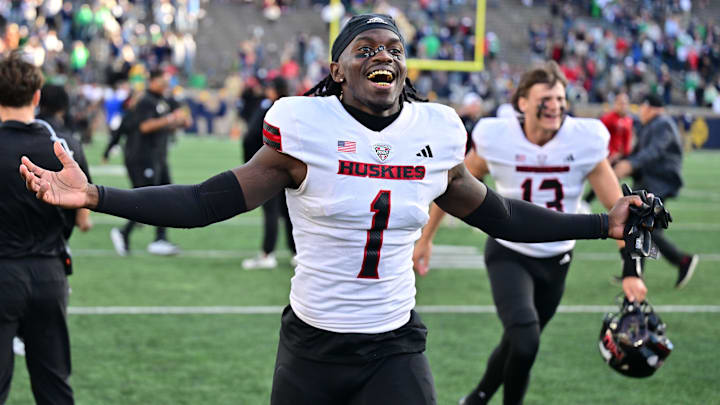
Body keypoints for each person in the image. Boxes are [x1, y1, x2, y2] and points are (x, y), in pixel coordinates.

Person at [20, 15, 648, 405]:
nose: (384, 55)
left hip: (393, 345)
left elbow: (502, 216)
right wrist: (97, 196)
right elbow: (207, 201)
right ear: (337, 70)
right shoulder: (305, 128)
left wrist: (603, 221)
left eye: (394, 48)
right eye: (366, 47)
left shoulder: (435, 133)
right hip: (311, 348)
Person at [413, 61, 647, 405]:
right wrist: (427, 237)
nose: (555, 105)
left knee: (517, 341)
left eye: (560, 97)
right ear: (522, 102)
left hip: (557, 260)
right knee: (525, 339)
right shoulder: (497, 137)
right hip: (509, 253)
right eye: (546, 98)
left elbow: (620, 213)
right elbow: (455, 187)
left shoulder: (584, 140)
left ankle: (476, 398)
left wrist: (632, 271)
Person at [1, 52, 91, 405]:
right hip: (49, 274)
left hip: (3, 274)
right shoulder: (63, 148)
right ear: (37, 97)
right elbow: (81, 210)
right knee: (54, 388)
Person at [613, 93, 698, 288]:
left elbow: (653, 152)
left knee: (642, 226)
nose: (640, 112)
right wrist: (619, 161)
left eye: (642, 107)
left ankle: (681, 260)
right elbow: (638, 153)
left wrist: (631, 165)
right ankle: (635, 272)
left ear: (649, 107)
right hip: (649, 180)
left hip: (658, 182)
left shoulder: (663, 124)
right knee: (641, 226)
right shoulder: (652, 125)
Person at [109, 69, 191, 257]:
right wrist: (170, 118)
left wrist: (178, 122)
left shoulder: (162, 101)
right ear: (153, 81)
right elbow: (145, 126)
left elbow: (164, 126)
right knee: (147, 199)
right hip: (144, 157)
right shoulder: (145, 101)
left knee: (166, 196)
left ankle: (160, 239)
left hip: (159, 156)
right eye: (162, 80)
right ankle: (123, 232)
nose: (166, 84)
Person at [241, 77, 296, 269]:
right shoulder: (293, 108)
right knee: (289, 211)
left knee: (271, 211)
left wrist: (250, 163)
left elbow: (250, 136)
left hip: (270, 169)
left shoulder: (269, 108)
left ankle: (267, 254)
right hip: (291, 167)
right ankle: (297, 253)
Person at [581, 91, 633, 207]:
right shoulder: (608, 119)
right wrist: (606, 154)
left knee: (611, 182)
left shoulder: (628, 120)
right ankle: (586, 202)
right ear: (615, 104)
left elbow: (626, 143)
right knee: (602, 180)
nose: (623, 106)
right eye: (620, 103)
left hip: (618, 158)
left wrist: (625, 155)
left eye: (625, 103)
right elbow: (598, 137)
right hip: (607, 157)